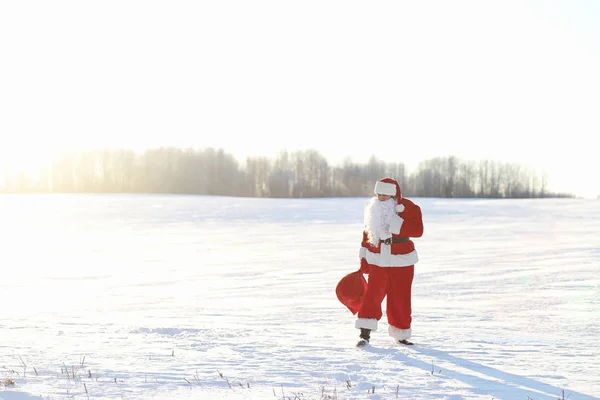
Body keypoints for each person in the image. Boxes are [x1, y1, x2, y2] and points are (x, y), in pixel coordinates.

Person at [355, 177, 424, 347]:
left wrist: (396, 224)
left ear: (393, 194)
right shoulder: (373, 209)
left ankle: (401, 334)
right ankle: (364, 333)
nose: (381, 197)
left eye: (385, 194)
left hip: (402, 261)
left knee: (400, 298)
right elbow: (367, 235)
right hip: (377, 260)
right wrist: (364, 257)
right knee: (372, 296)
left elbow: (418, 230)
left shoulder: (408, 207)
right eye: (378, 193)